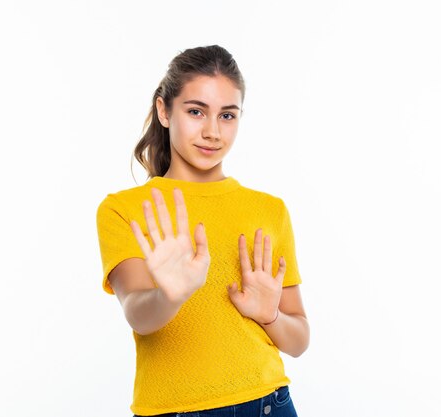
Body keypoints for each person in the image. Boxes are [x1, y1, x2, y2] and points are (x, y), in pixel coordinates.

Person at [96, 45, 310, 417]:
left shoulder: (269, 210)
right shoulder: (123, 209)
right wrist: (170, 295)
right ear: (164, 111)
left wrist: (270, 316)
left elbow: (299, 340)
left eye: (227, 115)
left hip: (269, 405)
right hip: (175, 410)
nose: (212, 131)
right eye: (196, 111)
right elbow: (138, 314)